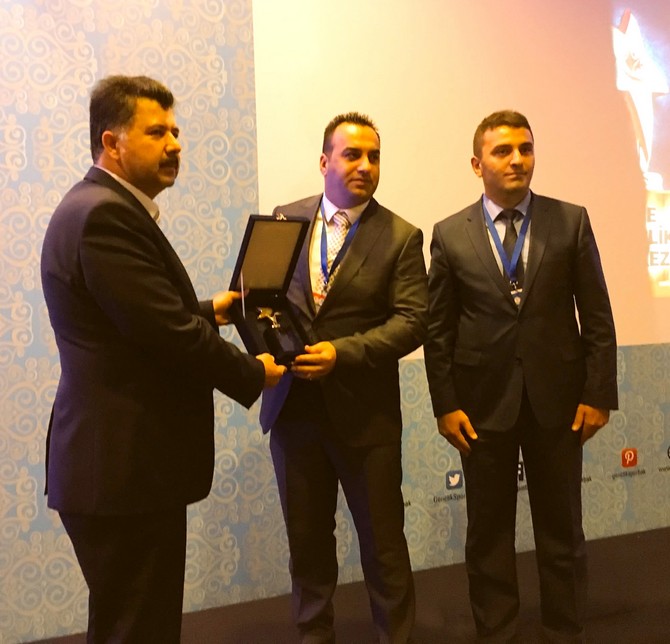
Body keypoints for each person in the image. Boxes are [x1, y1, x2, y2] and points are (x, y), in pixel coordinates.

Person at [40, 75, 285, 644]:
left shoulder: (96, 206)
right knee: (139, 627)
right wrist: (256, 372)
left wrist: (209, 311)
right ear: (112, 142)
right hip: (124, 468)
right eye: (156, 132)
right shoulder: (104, 216)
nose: (175, 144)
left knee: (124, 622)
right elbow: (168, 335)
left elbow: (132, 322)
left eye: (176, 131)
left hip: (117, 466)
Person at [424, 110, 618, 643]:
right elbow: (437, 331)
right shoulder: (449, 234)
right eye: (503, 150)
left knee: (562, 530)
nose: (517, 160)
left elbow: (597, 316)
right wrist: (445, 405)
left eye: (525, 149)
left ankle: (564, 629)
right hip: (480, 407)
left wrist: (598, 392)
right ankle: (497, 632)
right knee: (488, 534)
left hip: (559, 403)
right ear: (477, 164)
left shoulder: (570, 221)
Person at [259, 112, 428, 643]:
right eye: (352, 154)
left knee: (384, 547)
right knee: (307, 546)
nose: (365, 165)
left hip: (366, 419)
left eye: (374, 156)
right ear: (324, 161)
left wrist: (343, 353)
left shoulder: (401, 236)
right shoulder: (284, 221)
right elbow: (257, 298)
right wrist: (264, 351)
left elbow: (412, 322)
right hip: (294, 413)